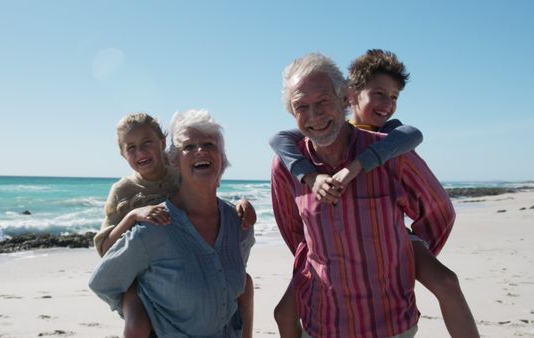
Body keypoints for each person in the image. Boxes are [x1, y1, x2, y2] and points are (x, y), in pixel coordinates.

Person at [270, 50, 478, 338]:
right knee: (283, 313)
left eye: (323, 102)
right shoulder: (289, 163)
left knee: (447, 282)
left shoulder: (391, 148)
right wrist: (328, 257)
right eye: (301, 107)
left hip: (391, 324)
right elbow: (293, 230)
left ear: (344, 98)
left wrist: (401, 253)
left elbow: (438, 211)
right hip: (323, 323)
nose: (314, 115)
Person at [89, 109, 255, 337]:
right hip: (136, 277)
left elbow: (205, 190)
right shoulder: (124, 193)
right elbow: (107, 256)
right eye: (131, 148)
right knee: (136, 326)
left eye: (147, 142)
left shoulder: (176, 176)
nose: (140, 152)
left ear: (162, 145)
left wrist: (240, 203)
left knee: (243, 284)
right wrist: (132, 216)